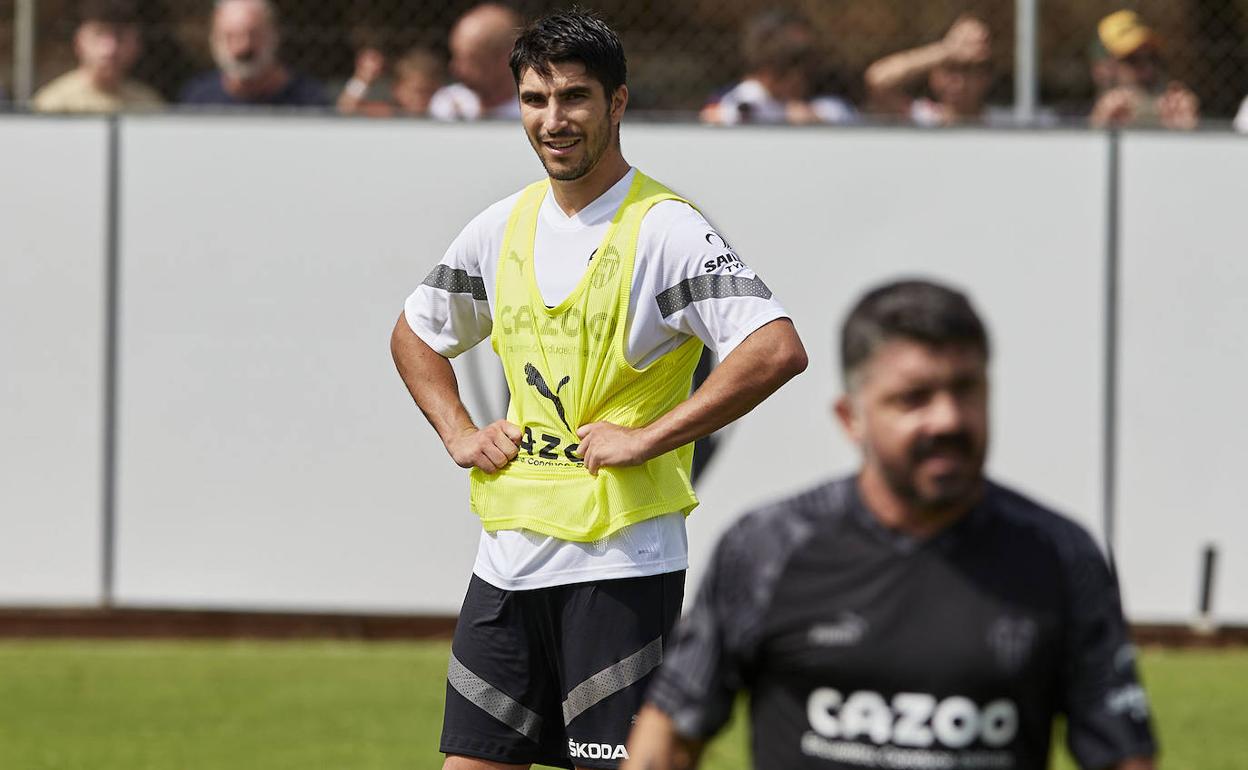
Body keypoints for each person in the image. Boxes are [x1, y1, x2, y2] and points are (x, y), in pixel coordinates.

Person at [390, 9, 807, 769]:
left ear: (617, 104)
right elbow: (416, 333)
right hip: (507, 562)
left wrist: (649, 438)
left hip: (621, 570)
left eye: (575, 98)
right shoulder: (499, 227)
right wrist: (457, 429)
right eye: (535, 100)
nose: (554, 120)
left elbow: (774, 347)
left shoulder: (665, 229)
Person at [625, 279, 1158, 770]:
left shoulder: (1059, 557)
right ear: (850, 418)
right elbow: (667, 739)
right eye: (913, 398)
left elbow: (1122, 754)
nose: (947, 419)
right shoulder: (768, 549)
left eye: (966, 389)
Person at [700, 10, 854, 126]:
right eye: (783, 70)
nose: (795, 79)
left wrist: (814, 120)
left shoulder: (829, 105)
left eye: (803, 67)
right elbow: (710, 117)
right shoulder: (742, 98)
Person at [180, 0, 328, 108]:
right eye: (230, 36)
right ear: (213, 39)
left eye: (253, 35)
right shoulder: (199, 98)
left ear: (274, 35)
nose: (243, 47)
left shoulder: (308, 99)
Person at [32, 0, 163, 113]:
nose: (110, 49)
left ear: (136, 44)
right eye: (99, 34)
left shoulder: (147, 104)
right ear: (79, 41)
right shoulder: (55, 103)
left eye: (120, 37)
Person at [863, 15, 994, 126]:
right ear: (934, 75)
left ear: (986, 77)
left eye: (968, 71)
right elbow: (877, 80)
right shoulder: (924, 116)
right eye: (949, 70)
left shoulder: (1001, 124)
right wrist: (947, 50)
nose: (958, 82)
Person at [1089, 10, 1199, 130]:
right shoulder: (1070, 120)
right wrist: (1100, 134)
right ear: (1101, 69)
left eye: (1153, 57)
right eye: (1133, 60)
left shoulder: (1174, 112)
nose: (1148, 68)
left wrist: (1186, 136)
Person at [429, 3, 523, 120]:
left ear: (506, 57)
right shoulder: (448, 104)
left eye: (469, 61)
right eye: (455, 57)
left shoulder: (531, 111)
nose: (454, 68)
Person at [337, 46, 444, 117]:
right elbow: (346, 108)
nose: (421, 98)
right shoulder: (389, 113)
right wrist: (363, 79)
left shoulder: (443, 113)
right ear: (397, 89)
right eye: (416, 91)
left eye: (429, 91)